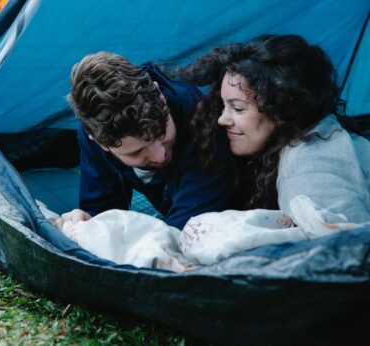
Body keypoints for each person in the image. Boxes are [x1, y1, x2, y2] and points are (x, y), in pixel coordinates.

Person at [177, 34, 370, 222]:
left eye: (237, 108)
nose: (222, 119)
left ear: (282, 107)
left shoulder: (307, 171)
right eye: (223, 105)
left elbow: (347, 244)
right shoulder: (321, 134)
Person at [56, 52, 234, 229]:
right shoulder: (97, 134)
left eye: (161, 134)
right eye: (137, 151)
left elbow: (183, 232)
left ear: (161, 97)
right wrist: (89, 222)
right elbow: (102, 211)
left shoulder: (203, 122)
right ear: (102, 144)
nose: (159, 155)